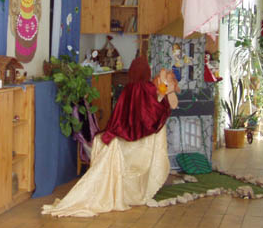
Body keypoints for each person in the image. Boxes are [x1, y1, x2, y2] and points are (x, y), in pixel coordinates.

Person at [42, 57, 179, 217]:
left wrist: (114, 132)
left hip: (123, 135)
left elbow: (118, 116)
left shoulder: (127, 89)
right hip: (142, 140)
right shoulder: (149, 88)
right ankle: (138, 193)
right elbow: (156, 109)